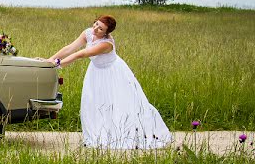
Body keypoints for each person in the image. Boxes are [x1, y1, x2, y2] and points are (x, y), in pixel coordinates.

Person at [45, 15, 171, 149]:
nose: (96, 29)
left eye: (100, 29)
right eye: (96, 24)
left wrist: (58, 64)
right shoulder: (88, 32)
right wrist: (50, 60)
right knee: (93, 103)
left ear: (106, 32)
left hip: (113, 74)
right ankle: (98, 134)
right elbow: (70, 48)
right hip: (95, 72)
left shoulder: (107, 44)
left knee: (119, 104)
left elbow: (80, 54)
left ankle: (126, 134)